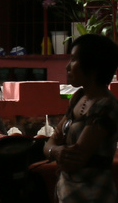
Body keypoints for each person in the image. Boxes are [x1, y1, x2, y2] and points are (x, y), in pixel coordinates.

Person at [45, 32, 118, 203]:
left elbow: (73, 160)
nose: (67, 67)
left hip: (94, 195)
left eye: (73, 60)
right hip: (67, 194)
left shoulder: (106, 106)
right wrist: (55, 150)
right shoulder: (79, 97)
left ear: (92, 66)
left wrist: (53, 150)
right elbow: (50, 143)